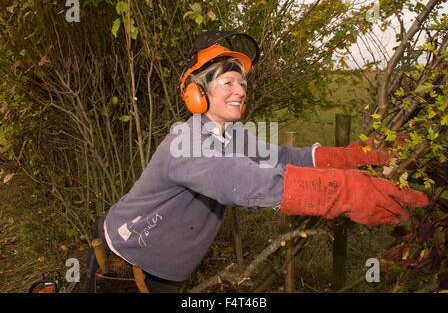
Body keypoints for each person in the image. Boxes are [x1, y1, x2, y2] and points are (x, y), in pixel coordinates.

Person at [86, 31, 428, 293]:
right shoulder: (185, 142)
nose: (241, 91)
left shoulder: (232, 135)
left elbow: (281, 157)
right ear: (196, 92)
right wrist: (343, 191)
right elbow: (241, 181)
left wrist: (350, 158)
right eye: (228, 82)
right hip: (126, 262)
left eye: (243, 83)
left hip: (164, 271)